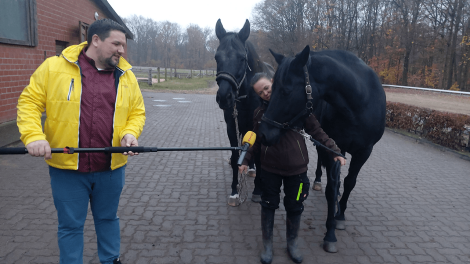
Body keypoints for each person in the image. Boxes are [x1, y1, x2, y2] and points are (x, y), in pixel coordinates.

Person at [17, 19, 146, 264]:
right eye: (116, 43)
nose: (122, 50)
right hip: (67, 169)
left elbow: (136, 112)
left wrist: (129, 133)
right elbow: (29, 103)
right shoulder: (53, 68)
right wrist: (33, 136)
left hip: (111, 168)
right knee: (70, 226)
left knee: (108, 219)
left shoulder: (127, 76)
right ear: (95, 40)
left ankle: (110, 260)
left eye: (124, 45)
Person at [239, 73, 346, 264]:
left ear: (272, 81)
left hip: (296, 170)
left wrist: (334, 150)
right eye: (260, 92)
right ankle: (267, 246)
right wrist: (245, 160)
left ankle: (292, 244)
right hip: (269, 169)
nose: (265, 93)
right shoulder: (259, 113)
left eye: (266, 87)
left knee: (295, 206)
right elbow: (254, 138)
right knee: (268, 205)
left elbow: (316, 130)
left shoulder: (297, 105)